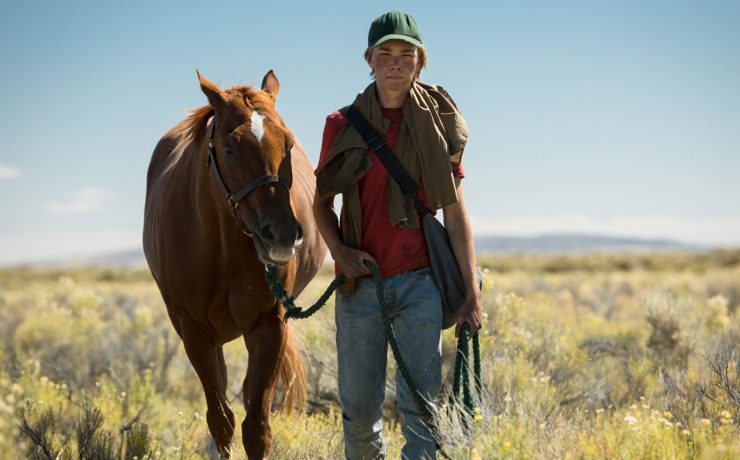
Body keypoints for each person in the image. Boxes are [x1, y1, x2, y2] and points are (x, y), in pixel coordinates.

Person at [312, 10, 482, 459]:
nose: (395, 64)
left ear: (420, 61)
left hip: (421, 283)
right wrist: (340, 253)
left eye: (406, 55)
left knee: (422, 412)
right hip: (361, 285)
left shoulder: (440, 119)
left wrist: (471, 292)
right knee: (360, 414)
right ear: (368, 59)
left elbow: (455, 212)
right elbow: (320, 203)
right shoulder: (341, 123)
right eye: (384, 54)